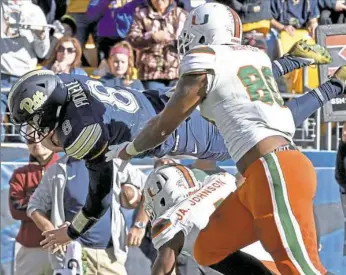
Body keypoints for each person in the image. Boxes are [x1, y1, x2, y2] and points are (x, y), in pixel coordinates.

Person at [7, 40, 343, 255]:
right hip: (159, 100)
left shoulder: (80, 133)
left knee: (261, 127)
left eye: (35, 118)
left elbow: (99, 198)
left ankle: (335, 84)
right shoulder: (68, 82)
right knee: (225, 85)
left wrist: (73, 229)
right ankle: (292, 61)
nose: (35, 130)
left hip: (180, 130)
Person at [106, 4, 346, 275]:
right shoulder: (251, 56)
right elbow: (247, 76)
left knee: (301, 270)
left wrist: (128, 151)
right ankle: (332, 83)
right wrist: (294, 61)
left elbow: (164, 125)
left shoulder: (206, 59)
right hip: (265, 170)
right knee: (208, 248)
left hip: (273, 170)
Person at [146, 163, 278, 275]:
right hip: (277, 256)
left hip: (255, 268)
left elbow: (163, 269)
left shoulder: (174, 218)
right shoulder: (223, 180)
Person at [9, 126, 59, 275]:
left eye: (40, 137)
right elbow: (16, 210)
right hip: (30, 249)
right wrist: (50, 205)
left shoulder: (67, 168)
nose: (36, 142)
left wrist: (33, 202)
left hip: (63, 246)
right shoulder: (20, 174)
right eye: (30, 139)